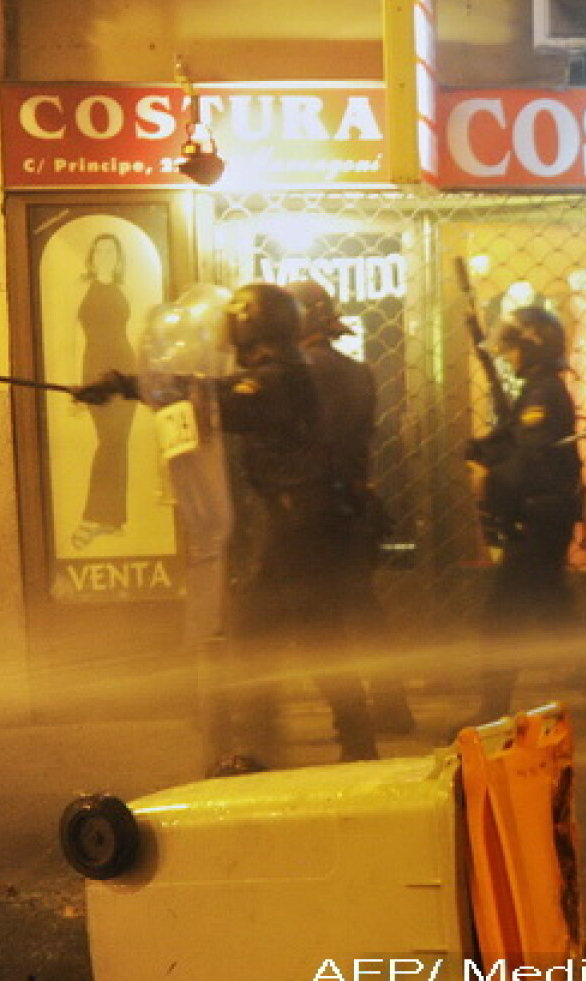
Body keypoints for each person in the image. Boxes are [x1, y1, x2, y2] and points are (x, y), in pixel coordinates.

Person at [76, 282, 380, 772]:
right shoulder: (280, 372)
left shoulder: (276, 378)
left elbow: (215, 399)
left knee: (257, 637)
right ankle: (350, 741)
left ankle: (257, 750)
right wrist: (126, 386)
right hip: (303, 526)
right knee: (314, 636)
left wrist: (126, 385)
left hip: (296, 529)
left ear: (250, 324)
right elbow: (215, 396)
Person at [288, 280, 415, 735]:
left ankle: (352, 715)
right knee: (362, 611)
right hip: (355, 506)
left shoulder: (302, 373)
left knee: (313, 623)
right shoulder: (357, 371)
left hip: (313, 510)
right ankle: (391, 704)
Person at [466, 305, 586, 726]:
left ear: (534, 347)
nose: (509, 356)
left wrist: (490, 478)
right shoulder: (538, 390)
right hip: (542, 517)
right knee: (554, 612)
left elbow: (531, 461)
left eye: (515, 348)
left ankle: (491, 707)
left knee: (501, 618)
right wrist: (483, 449)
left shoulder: (543, 394)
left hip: (539, 518)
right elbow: (518, 443)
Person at [73, 233, 138, 551]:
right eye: (100, 249)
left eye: (111, 249)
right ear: (93, 255)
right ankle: (91, 517)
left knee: (119, 444)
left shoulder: (123, 288)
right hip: (96, 373)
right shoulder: (81, 288)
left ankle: (113, 518)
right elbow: (71, 339)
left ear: (118, 255)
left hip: (125, 371)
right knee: (109, 443)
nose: (105, 255)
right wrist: (78, 386)